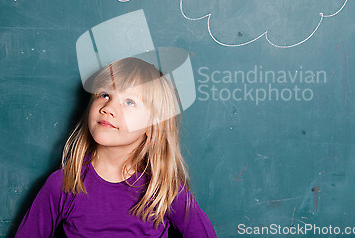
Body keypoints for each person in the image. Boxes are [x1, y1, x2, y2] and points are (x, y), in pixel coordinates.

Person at [16, 57, 217, 237]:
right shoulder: (63, 183)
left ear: (152, 127)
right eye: (104, 94)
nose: (108, 108)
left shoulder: (164, 189)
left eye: (129, 102)